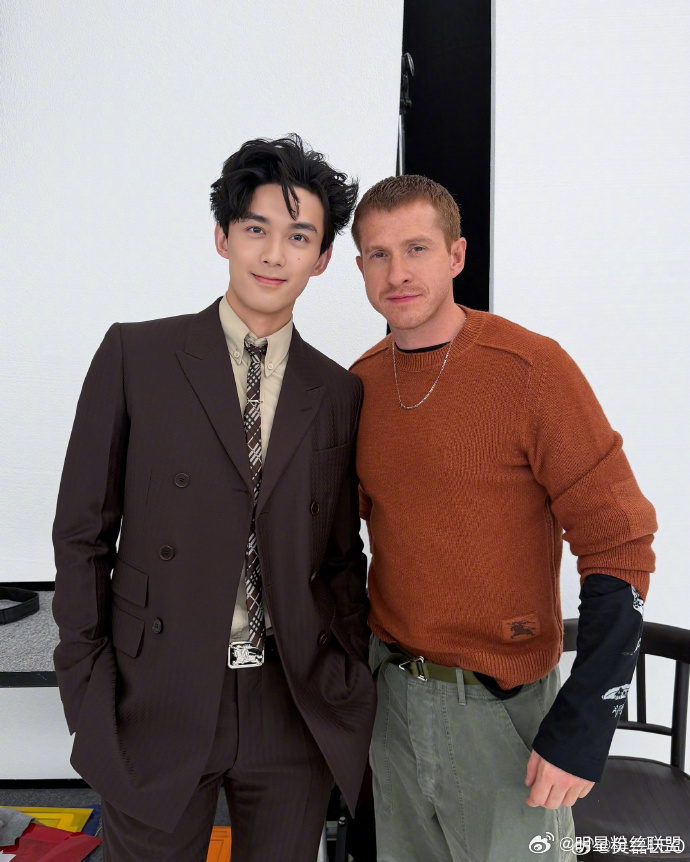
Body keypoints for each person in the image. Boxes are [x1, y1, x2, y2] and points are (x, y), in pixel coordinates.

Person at [52, 135, 376, 861]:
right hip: (157, 694)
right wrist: (86, 693)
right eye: (256, 228)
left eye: (299, 236)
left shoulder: (337, 391)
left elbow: (338, 558)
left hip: (289, 701)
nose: (274, 254)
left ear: (323, 258)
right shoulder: (136, 355)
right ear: (223, 236)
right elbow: (81, 536)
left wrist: (346, 674)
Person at [349, 174, 656, 862]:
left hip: (504, 712)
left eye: (417, 249)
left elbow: (621, 541)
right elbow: (345, 542)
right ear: (359, 267)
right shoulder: (359, 384)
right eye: (378, 255)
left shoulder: (530, 370)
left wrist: (587, 722)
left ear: (456, 255)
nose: (398, 273)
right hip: (392, 704)